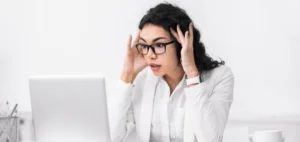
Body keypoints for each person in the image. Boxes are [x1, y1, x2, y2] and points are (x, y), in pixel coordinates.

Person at [110, 2, 234, 142]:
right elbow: (113, 137)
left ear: (181, 44)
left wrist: (193, 76)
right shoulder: (141, 79)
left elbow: (210, 139)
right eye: (144, 45)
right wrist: (127, 75)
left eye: (159, 45)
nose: (150, 55)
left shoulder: (220, 77)